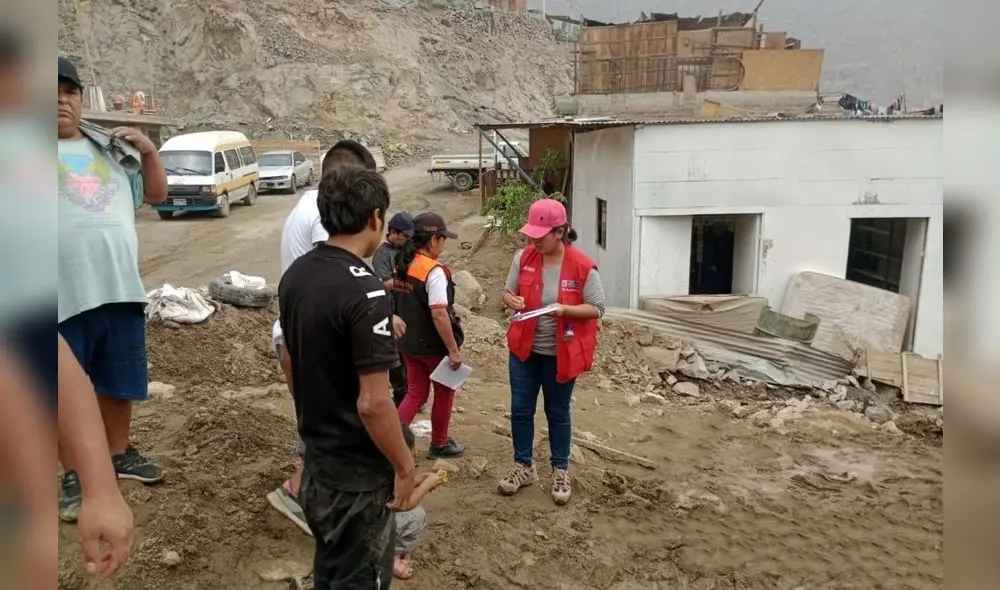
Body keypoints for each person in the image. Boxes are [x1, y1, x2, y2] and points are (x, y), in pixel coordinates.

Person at [278, 164, 417, 588]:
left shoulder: (296, 276)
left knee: (331, 569)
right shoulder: (368, 289)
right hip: (358, 480)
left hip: (319, 467)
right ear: (376, 217)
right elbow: (374, 403)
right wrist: (405, 467)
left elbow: (289, 357)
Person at [57, 56, 168, 522]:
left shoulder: (110, 151)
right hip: (60, 294)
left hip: (120, 287)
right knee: (62, 389)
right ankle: (73, 473)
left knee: (118, 381)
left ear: (82, 99)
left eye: (70, 91)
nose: (60, 100)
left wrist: (149, 152)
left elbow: (157, 196)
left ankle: (119, 453)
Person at [266, 140, 383, 534]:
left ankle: (308, 492)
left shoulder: (307, 206)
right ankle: (303, 493)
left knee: (317, 418)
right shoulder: (322, 216)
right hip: (314, 337)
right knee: (328, 420)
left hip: (299, 329)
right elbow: (334, 283)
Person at [498, 199, 606, 506]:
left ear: (559, 232)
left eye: (540, 234)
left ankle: (560, 470)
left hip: (560, 353)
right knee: (520, 409)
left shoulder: (583, 267)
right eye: (531, 234)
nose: (533, 240)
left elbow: (598, 308)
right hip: (524, 350)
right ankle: (523, 466)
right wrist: (511, 301)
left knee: (557, 412)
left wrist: (566, 310)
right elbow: (507, 292)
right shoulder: (523, 258)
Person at [392, 213, 467, 459]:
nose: (443, 245)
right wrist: (453, 351)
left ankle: (390, 443)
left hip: (408, 343)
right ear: (434, 239)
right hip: (432, 346)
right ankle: (439, 444)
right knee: (445, 392)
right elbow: (439, 314)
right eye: (443, 239)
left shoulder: (403, 263)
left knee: (415, 393)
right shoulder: (433, 271)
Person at [372, 212, 415, 406]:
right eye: (405, 236)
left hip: (406, 309)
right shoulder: (382, 253)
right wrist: (411, 283)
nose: (408, 240)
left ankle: (408, 401)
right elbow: (386, 283)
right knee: (397, 365)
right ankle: (400, 406)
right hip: (391, 311)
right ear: (394, 233)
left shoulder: (406, 248)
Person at [392, 423, 441, 581]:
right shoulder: (392, 470)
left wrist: (419, 479)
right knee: (417, 515)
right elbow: (402, 505)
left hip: (352, 527)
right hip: (372, 531)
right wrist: (425, 486)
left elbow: (393, 490)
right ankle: (391, 557)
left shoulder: (375, 468)